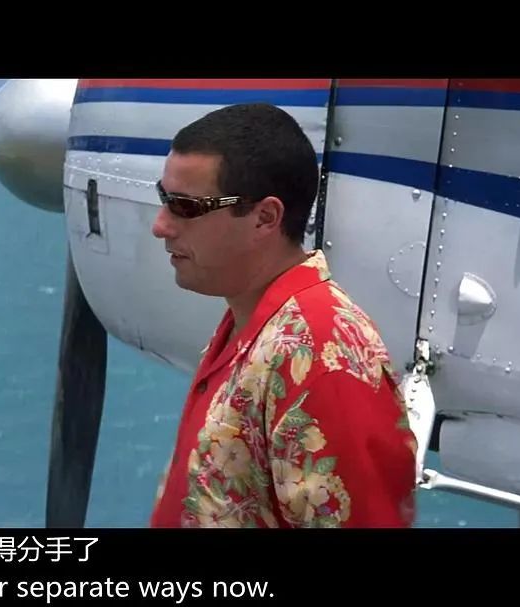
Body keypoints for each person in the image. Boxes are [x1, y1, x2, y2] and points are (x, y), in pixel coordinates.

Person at [148, 103, 417, 528]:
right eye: (164, 199)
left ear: (265, 217)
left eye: (185, 206)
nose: (160, 225)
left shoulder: (320, 352)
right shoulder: (255, 322)